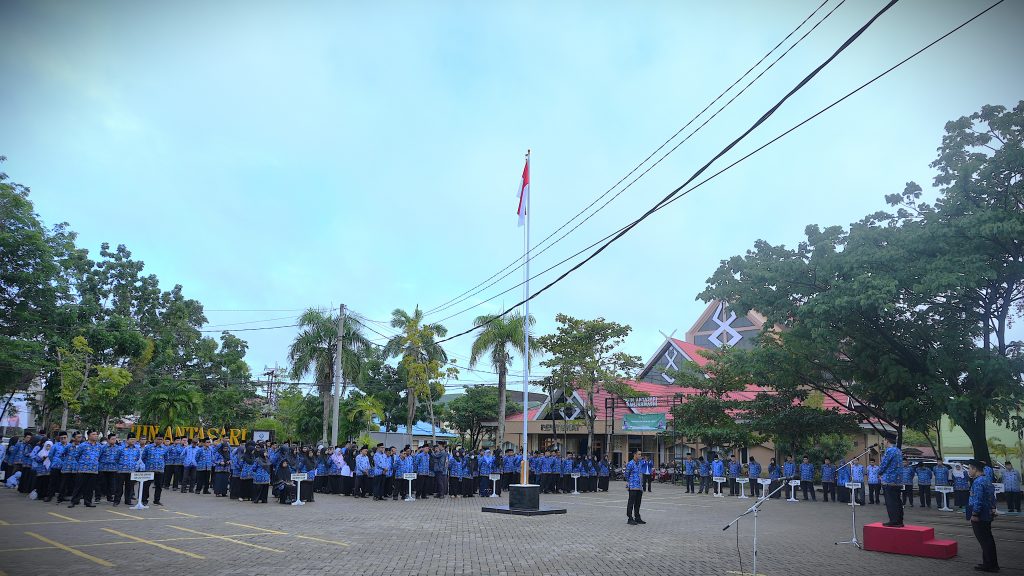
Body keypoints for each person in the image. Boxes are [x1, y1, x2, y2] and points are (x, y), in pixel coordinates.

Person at [966, 459, 999, 572]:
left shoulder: (978, 481)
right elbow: (992, 497)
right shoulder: (986, 480)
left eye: (969, 468)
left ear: (975, 469)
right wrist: (993, 508)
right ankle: (989, 563)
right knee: (988, 540)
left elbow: (978, 499)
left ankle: (990, 565)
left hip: (980, 515)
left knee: (985, 541)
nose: (969, 471)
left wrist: (975, 514)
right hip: (987, 514)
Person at [876, 435, 904, 527]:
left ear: (887, 441)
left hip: (889, 479)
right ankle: (899, 520)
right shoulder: (898, 450)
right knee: (897, 501)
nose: (883, 442)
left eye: (884, 440)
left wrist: (879, 472)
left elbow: (884, 464)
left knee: (890, 501)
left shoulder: (889, 451)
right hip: (898, 480)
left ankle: (894, 520)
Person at [69, 430, 101, 508]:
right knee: (79, 486)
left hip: (93, 469)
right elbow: (76, 456)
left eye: (96, 434)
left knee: (90, 487)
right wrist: (83, 463)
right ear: (89, 436)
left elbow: (100, 456)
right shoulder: (83, 445)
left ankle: (88, 502)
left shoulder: (99, 446)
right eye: (93, 434)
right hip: (83, 468)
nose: (95, 436)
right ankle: (74, 501)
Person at [140, 435, 168, 506]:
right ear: (154, 439)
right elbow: (143, 457)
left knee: (159, 486)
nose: (160, 441)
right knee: (146, 485)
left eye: (161, 439)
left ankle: (157, 500)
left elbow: (166, 458)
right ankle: (144, 500)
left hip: (160, 470)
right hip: (149, 469)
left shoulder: (165, 448)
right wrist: (148, 464)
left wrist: (161, 464)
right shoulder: (148, 447)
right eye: (158, 439)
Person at [117, 433, 141, 506]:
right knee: (119, 486)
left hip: (132, 470)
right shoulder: (121, 448)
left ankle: (128, 500)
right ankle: (117, 500)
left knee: (130, 486)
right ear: (127, 440)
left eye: (134, 439)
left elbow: (137, 458)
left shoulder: (137, 449)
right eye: (131, 439)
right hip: (121, 470)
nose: (133, 441)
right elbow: (116, 458)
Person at [98, 433, 122, 504]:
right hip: (103, 468)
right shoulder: (103, 447)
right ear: (108, 440)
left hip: (113, 468)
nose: (114, 440)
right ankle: (97, 497)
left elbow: (119, 457)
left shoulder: (118, 448)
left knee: (111, 484)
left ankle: (109, 497)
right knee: (101, 483)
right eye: (112, 439)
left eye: (115, 439)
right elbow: (98, 456)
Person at [625, 450, 645, 525]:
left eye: (640, 454)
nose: (640, 456)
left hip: (639, 486)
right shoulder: (630, 463)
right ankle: (630, 518)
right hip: (633, 486)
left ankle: (637, 517)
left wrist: (642, 485)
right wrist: (629, 483)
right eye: (639, 454)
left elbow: (641, 474)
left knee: (638, 503)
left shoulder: (640, 463)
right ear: (635, 455)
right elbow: (627, 474)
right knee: (631, 502)